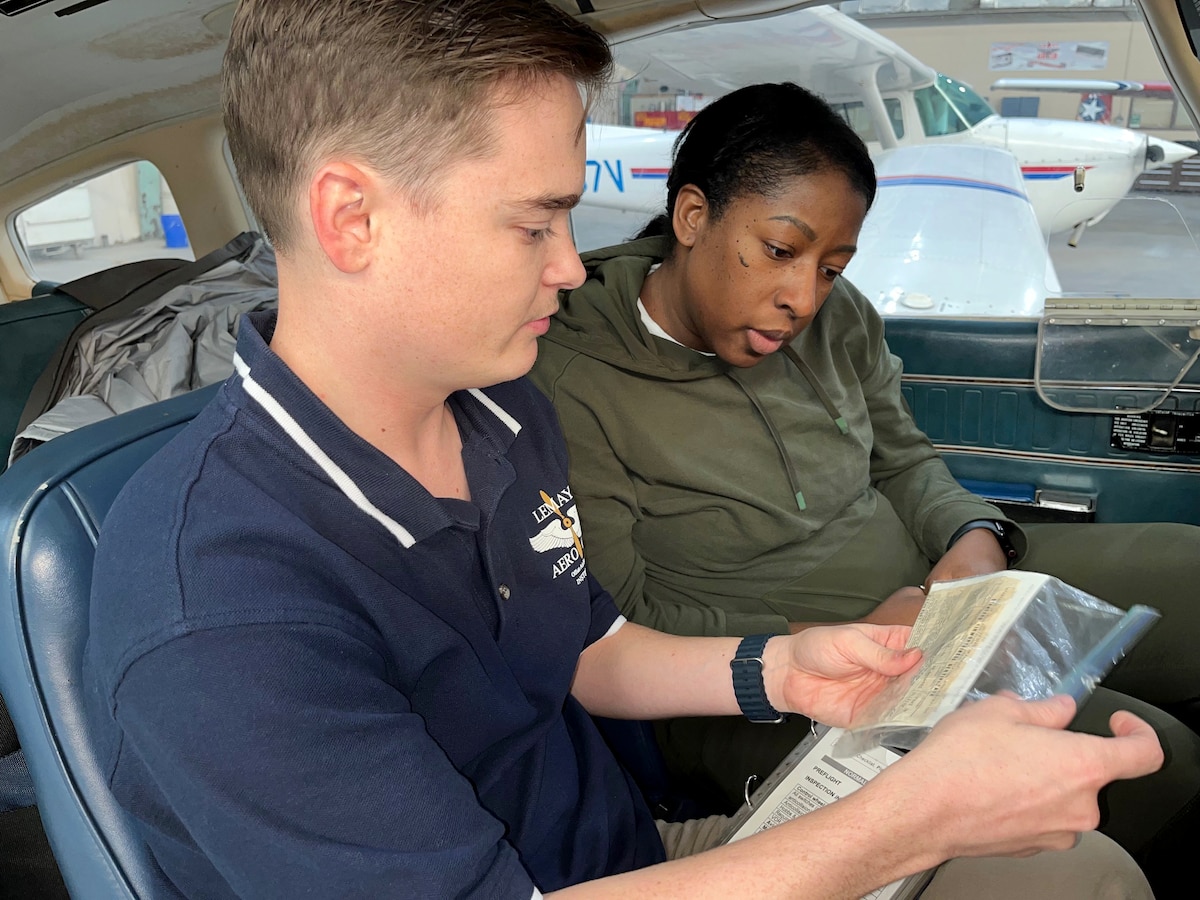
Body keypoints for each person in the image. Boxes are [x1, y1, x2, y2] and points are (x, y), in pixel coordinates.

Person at [82, 5, 1162, 898]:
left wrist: (783, 670)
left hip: (634, 849)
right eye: (534, 223)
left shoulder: (498, 413)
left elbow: (590, 649)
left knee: (1078, 866)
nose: (571, 265)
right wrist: (902, 822)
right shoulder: (219, 610)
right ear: (352, 219)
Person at [530, 81, 1200, 886]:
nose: (803, 299)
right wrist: (822, 638)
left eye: (833, 266)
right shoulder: (570, 381)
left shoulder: (837, 316)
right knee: (1158, 766)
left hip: (931, 597)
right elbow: (623, 620)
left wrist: (970, 539)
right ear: (693, 218)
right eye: (781, 252)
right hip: (770, 679)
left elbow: (906, 458)